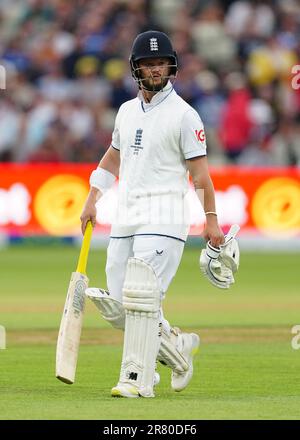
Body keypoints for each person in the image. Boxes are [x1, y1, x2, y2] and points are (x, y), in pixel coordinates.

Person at [80, 30, 225, 398]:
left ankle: (136, 378)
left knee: (142, 297)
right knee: (119, 305)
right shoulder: (127, 112)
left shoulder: (185, 115)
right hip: (127, 215)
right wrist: (92, 197)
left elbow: (201, 174)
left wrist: (210, 219)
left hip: (165, 216)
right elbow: (113, 157)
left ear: (171, 66)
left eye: (160, 62)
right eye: (148, 63)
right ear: (136, 69)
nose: (155, 69)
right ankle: (177, 350)